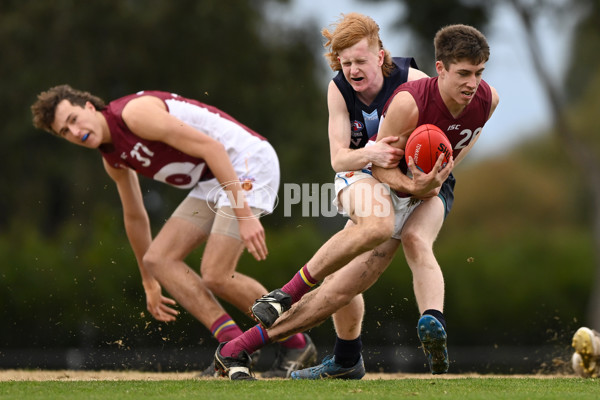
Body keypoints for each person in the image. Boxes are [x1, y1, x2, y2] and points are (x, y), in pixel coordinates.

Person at [214, 23, 499, 380]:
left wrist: (438, 175)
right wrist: (401, 175)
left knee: (343, 287)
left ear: (381, 57)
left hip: (409, 184)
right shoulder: (363, 94)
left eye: (360, 61)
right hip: (369, 174)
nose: (353, 71)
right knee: (373, 230)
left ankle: (328, 355)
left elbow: (459, 138)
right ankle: (284, 296)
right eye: (345, 63)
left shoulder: (452, 91)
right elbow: (343, 159)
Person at [30, 85, 317, 377]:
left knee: (216, 273)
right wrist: (148, 281)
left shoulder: (134, 114)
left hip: (244, 162)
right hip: (212, 178)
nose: (75, 132)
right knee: (158, 260)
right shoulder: (112, 159)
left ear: (89, 107)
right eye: (65, 131)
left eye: (74, 119)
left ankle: (296, 344)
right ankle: (233, 347)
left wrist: (244, 215)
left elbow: (212, 148)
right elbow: (135, 216)